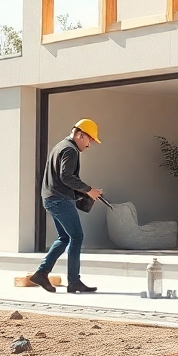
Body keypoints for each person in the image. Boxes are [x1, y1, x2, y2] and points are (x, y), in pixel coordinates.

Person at [28, 118, 104, 294]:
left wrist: (85, 193)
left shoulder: (60, 146)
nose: (89, 145)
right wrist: (88, 190)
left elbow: (62, 178)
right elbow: (66, 177)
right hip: (60, 200)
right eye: (89, 139)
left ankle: (41, 273)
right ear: (80, 135)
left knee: (64, 238)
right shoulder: (70, 150)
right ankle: (74, 282)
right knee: (76, 237)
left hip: (51, 198)